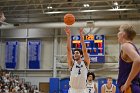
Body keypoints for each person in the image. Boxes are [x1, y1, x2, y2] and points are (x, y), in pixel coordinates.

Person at [65, 26, 90, 93]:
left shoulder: (85, 63)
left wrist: (81, 34)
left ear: (81, 55)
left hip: (83, 90)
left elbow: (84, 50)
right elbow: (68, 50)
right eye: (74, 53)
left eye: (77, 53)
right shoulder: (72, 63)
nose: (75, 54)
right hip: (73, 90)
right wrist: (68, 36)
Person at [117, 24, 140, 93]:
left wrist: (127, 83)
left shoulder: (126, 45)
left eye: (119, 31)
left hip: (130, 88)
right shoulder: (133, 47)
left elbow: (138, 60)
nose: (118, 33)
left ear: (123, 34)